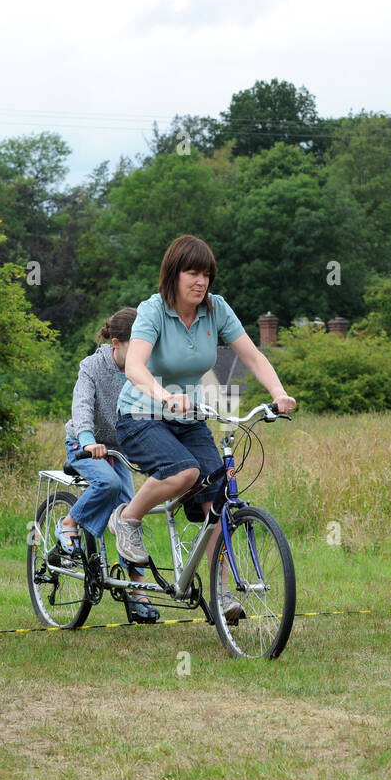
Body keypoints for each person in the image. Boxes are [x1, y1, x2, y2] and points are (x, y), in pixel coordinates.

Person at [107, 235, 297, 620]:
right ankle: (127, 518)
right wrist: (165, 396)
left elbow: (252, 356)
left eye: (206, 274)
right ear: (173, 275)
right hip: (141, 415)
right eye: (192, 273)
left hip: (188, 417)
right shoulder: (153, 311)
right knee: (185, 472)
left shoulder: (217, 310)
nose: (200, 282)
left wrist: (279, 393)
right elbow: (134, 366)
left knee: (220, 500)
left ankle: (221, 592)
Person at [58, 307, 156, 623]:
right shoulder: (91, 368)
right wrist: (87, 440)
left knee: (130, 516)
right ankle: (69, 524)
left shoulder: (142, 370)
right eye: (136, 344)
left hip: (117, 451)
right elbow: (82, 407)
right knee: (109, 484)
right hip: (84, 446)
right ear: (116, 343)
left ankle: (136, 591)